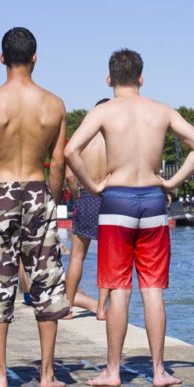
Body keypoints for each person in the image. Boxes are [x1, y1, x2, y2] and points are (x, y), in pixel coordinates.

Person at [65, 49, 194, 387]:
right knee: (153, 289)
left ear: (109, 79)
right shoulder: (161, 111)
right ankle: (159, 371)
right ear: (141, 79)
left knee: (118, 289)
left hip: (116, 201)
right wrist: (172, 181)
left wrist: (93, 185)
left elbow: (70, 151)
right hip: (154, 201)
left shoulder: (104, 111)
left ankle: (113, 371)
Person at [0, 27, 70, 387]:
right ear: (36, 57)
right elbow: (57, 164)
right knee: (46, 281)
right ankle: (46, 375)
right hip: (38, 190)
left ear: (1, 57)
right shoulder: (54, 104)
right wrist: (51, 201)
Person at [64, 98, 111, 320]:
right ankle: (102, 309)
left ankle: (68, 307)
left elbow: (69, 174)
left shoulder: (83, 139)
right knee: (107, 258)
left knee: (76, 257)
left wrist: (76, 195)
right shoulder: (116, 139)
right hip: (110, 198)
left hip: (86, 197)